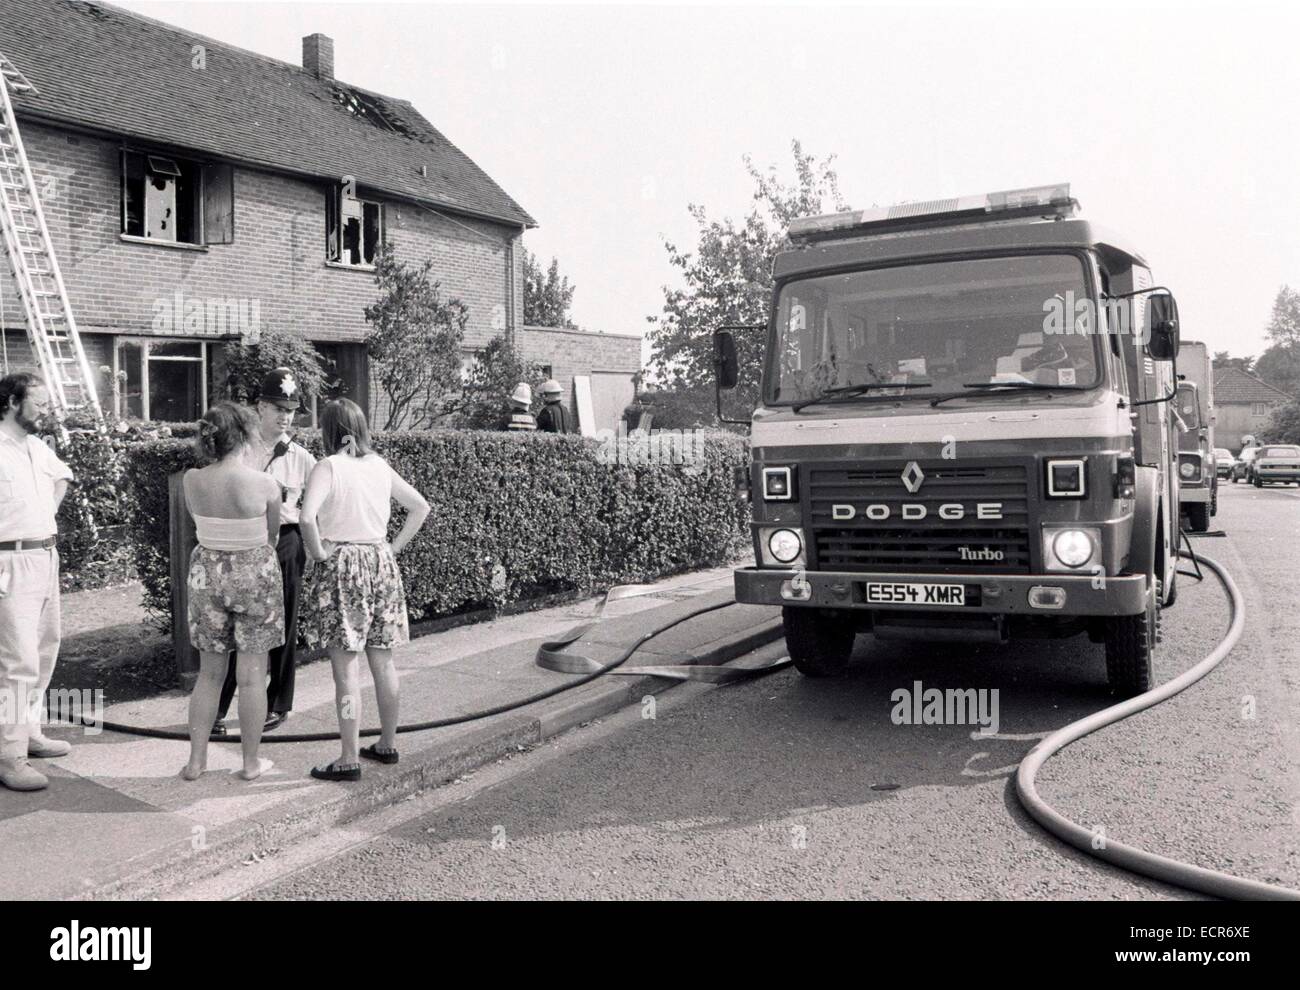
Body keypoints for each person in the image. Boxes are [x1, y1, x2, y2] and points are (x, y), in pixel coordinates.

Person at [298, 399, 429, 781]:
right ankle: (387, 744)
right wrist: (392, 547)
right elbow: (420, 507)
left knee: (346, 671)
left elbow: (307, 517)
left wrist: (320, 551)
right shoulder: (378, 465)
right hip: (380, 563)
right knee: (383, 661)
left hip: (343, 566)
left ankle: (349, 757)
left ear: (328, 431)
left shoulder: (329, 466)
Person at [180, 402, 284, 782]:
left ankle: (196, 761)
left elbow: (197, 520)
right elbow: (271, 536)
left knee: (209, 674)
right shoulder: (264, 484)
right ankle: (250, 762)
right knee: (252, 676)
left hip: (206, 571)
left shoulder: (192, 479)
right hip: (253, 570)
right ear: (245, 436)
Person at [212, 368, 316, 736]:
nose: (285, 415)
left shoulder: (302, 458)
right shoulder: (240, 450)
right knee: (235, 628)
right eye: (277, 407)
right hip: (245, 539)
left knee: (283, 626)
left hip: (286, 542)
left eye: (290, 409)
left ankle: (278, 704)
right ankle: (217, 710)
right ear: (260, 407)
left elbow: (318, 506)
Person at [0, 374, 74, 792]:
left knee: (46, 649)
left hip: (45, 556)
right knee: (17, 662)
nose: (46, 411)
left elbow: (62, 477)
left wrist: (44, 512)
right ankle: (9, 756)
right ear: (12, 401)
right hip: (8, 561)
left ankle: (27, 732)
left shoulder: (35, 446)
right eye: (39, 403)